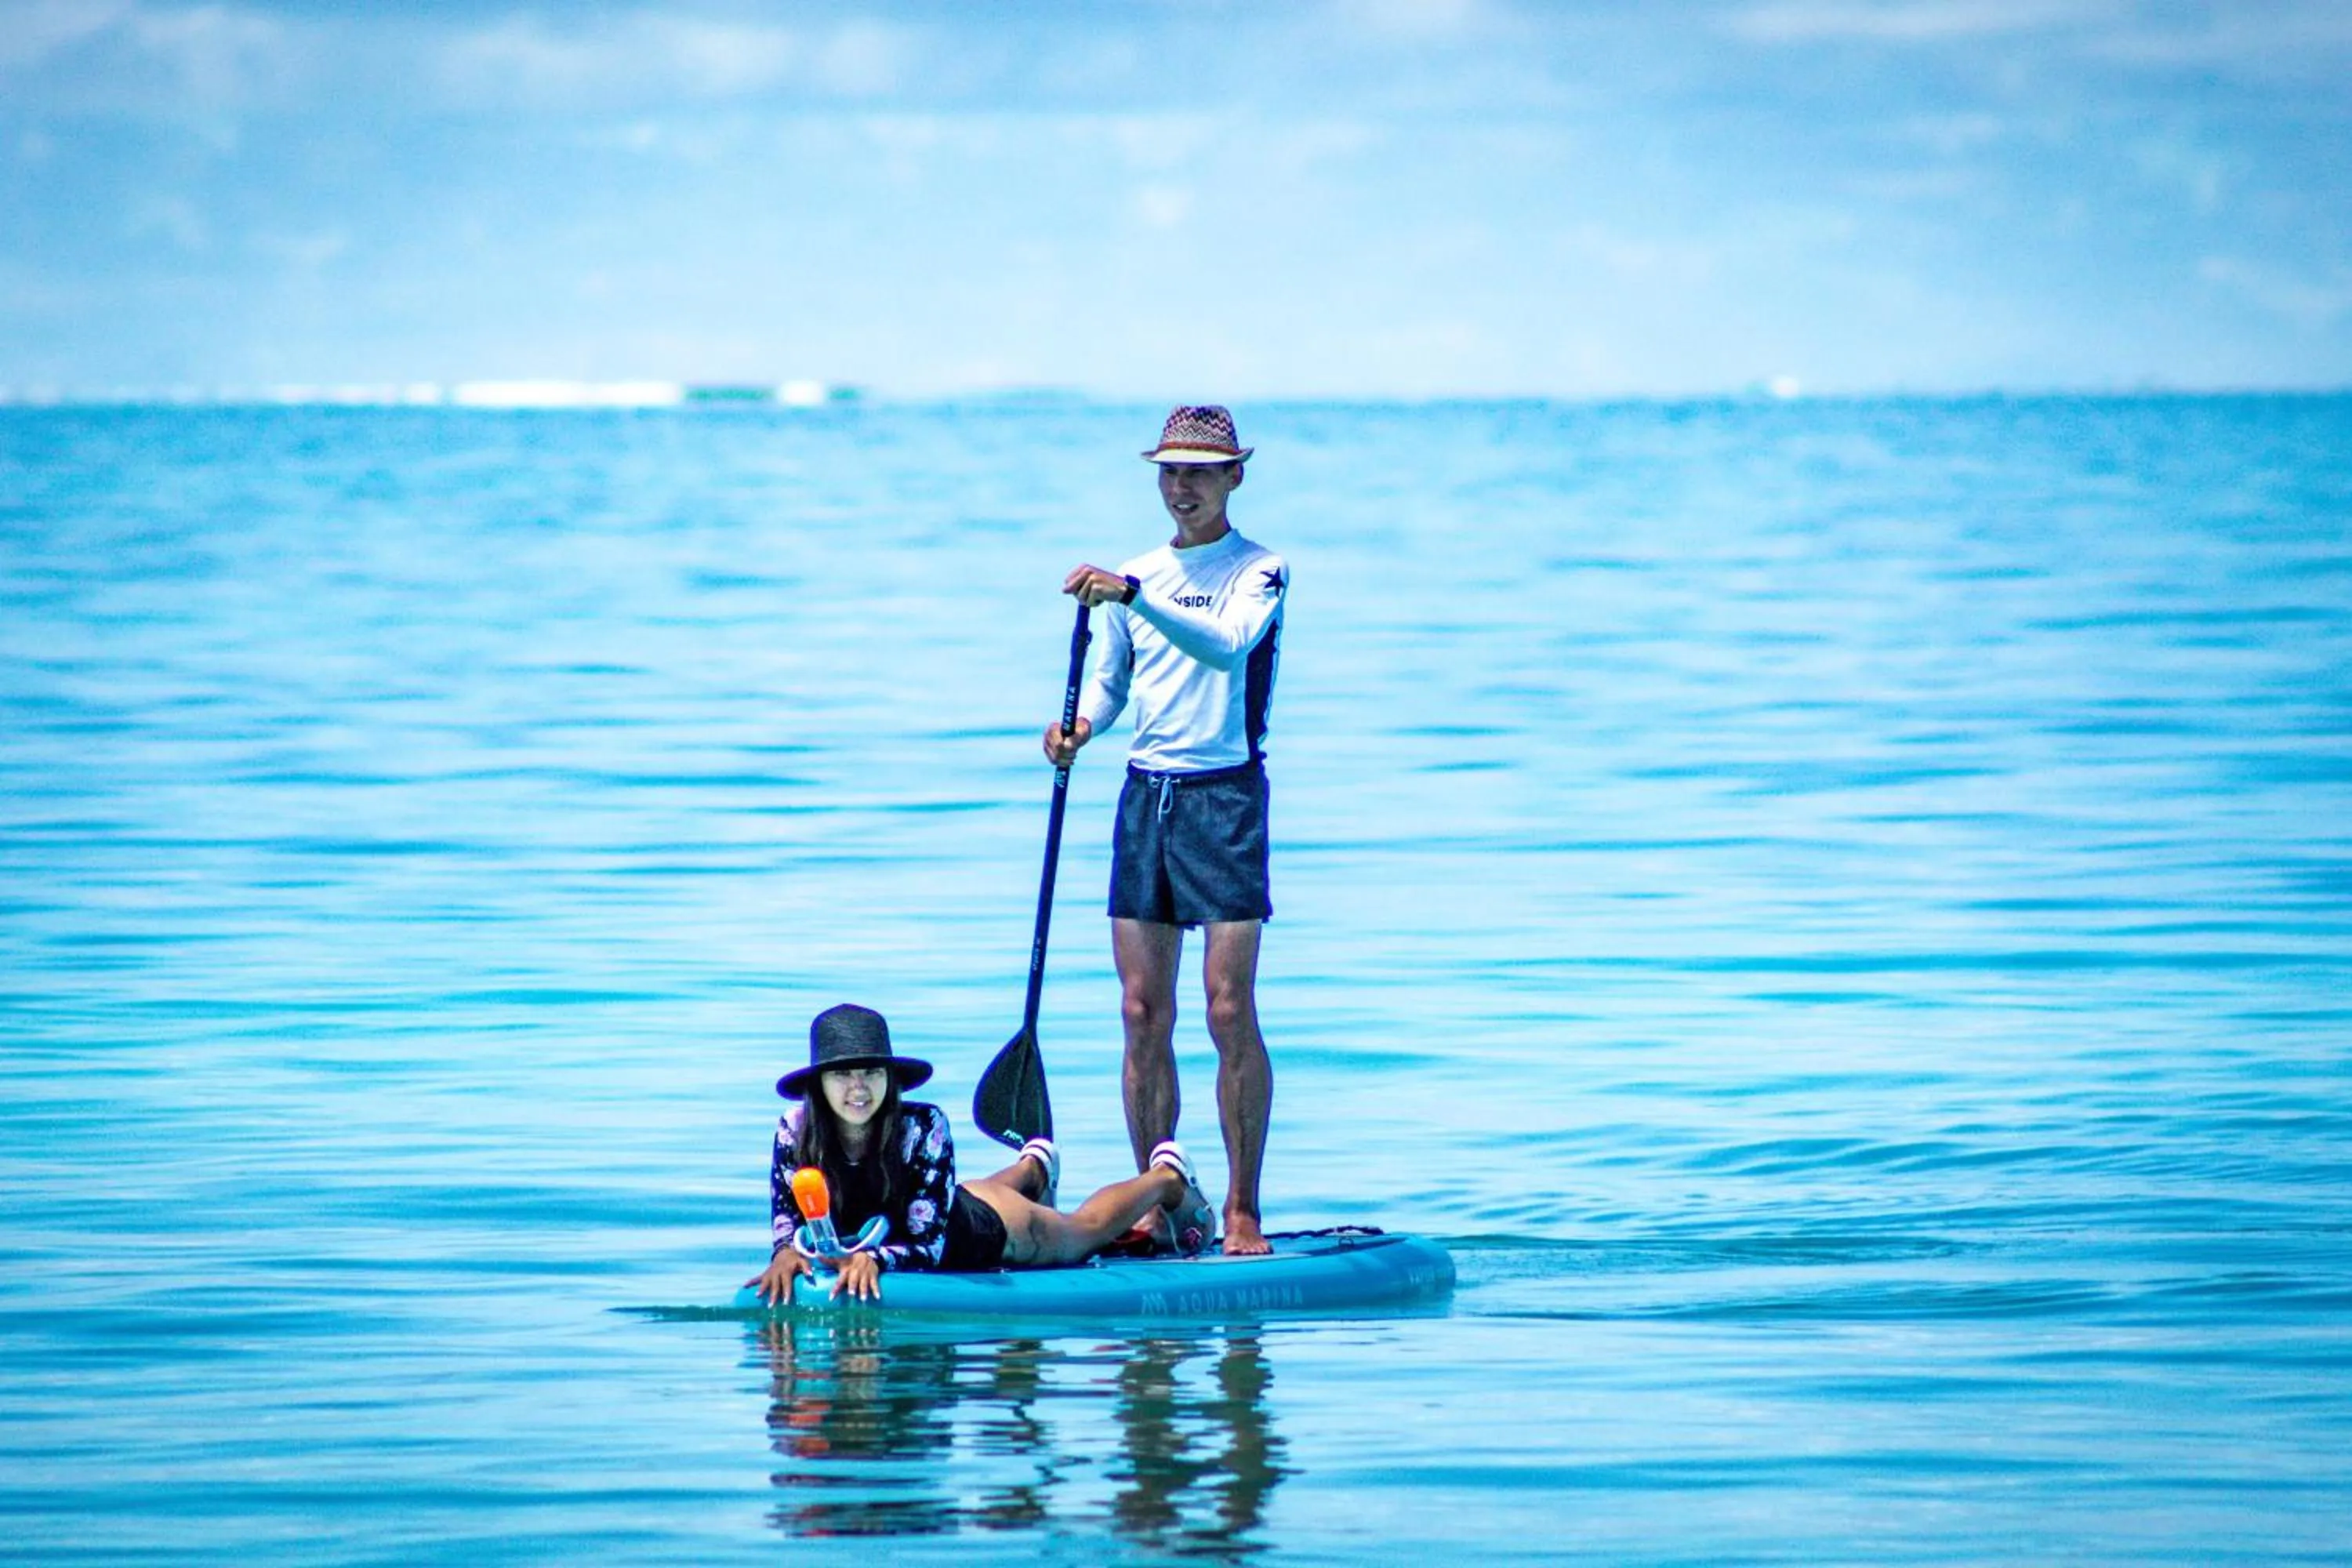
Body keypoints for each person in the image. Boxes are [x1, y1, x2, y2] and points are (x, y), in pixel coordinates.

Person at [1044, 405, 1287, 1257]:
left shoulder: (1261, 571)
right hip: (1146, 798)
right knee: (1142, 1010)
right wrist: (1078, 727)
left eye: (1199, 471)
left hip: (1225, 800)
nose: (1181, 486)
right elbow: (1113, 688)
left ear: (1234, 477)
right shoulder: (1136, 575)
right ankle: (1163, 1193)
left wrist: (1135, 594)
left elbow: (1225, 647)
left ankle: (1242, 1210)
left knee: (1227, 1009)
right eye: (1169, 471)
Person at [746, 1004, 1216, 1304]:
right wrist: (784, 1254)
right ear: (817, 1086)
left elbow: (929, 1243)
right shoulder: (794, 1132)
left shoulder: (923, 1126)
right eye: (841, 1075)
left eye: (870, 1072)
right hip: (936, 1205)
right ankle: (1035, 1167)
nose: (858, 1088)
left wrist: (877, 1260)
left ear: (890, 1078)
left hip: (978, 1233)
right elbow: (788, 1221)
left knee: (1082, 1234)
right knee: (960, 1192)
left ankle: (1167, 1177)